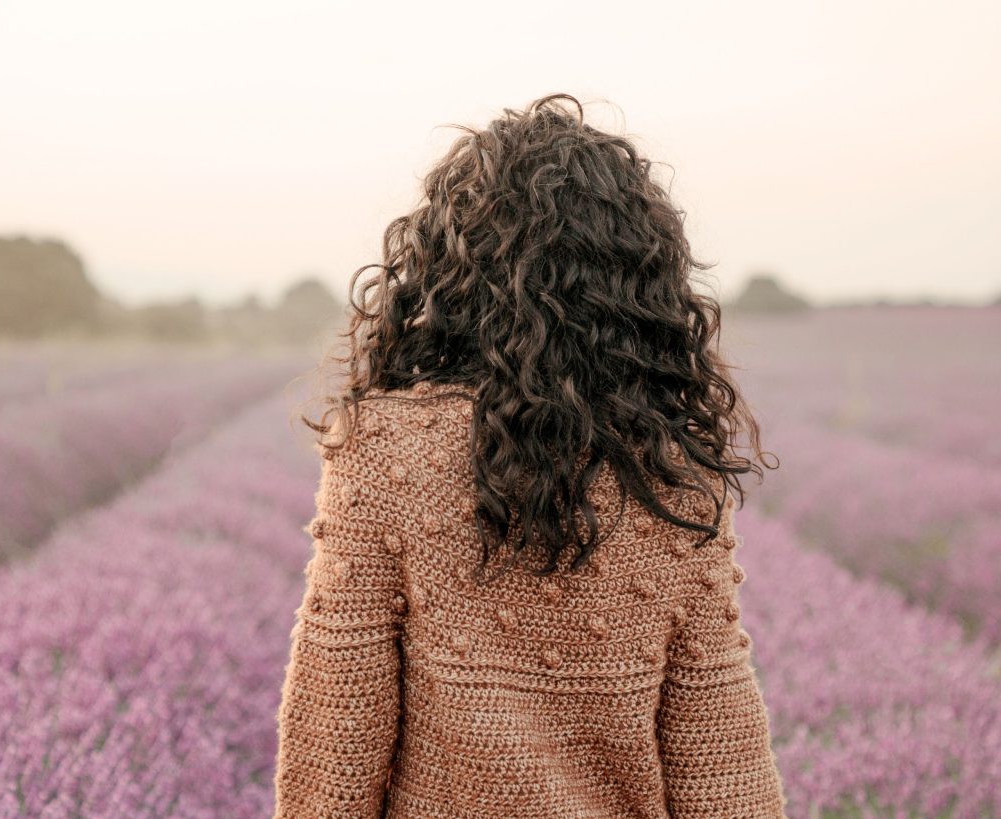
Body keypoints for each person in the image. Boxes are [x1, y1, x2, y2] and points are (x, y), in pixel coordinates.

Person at [273, 92, 788, 818]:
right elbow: (721, 753)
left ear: (449, 270)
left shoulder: (383, 449)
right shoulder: (676, 474)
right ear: (641, 287)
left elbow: (338, 726)